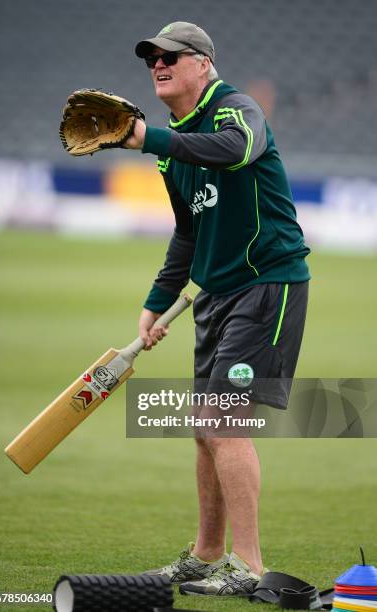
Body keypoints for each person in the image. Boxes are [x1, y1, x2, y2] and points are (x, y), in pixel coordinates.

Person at [124, 21, 310, 597]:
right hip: (217, 295)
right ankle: (206, 556)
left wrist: (145, 137)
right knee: (205, 429)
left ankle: (249, 565)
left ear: (203, 63)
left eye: (171, 56)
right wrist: (156, 303)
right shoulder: (173, 152)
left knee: (222, 422)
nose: (159, 63)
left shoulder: (235, 109)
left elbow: (236, 152)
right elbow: (188, 232)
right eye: (152, 57)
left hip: (267, 285)